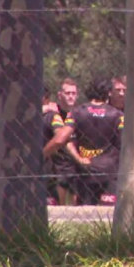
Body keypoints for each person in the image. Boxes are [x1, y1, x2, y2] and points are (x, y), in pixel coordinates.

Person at [63, 78, 124, 205]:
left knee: (84, 216)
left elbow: (66, 140)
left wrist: (79, 158)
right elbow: (124, 144)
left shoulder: (76, 112)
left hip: (85, 171)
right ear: (108, 93)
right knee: (108, 215)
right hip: (109, 172)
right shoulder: (117, 115)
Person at [52, 77, 80, 205]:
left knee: (75, 207)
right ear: (60, 95)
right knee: (60, 206)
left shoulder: (80, 113)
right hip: (58, 165)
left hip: (77, 166)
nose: (70, 96)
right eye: (67, 93)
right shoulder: (52, 113)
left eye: (73, 93)